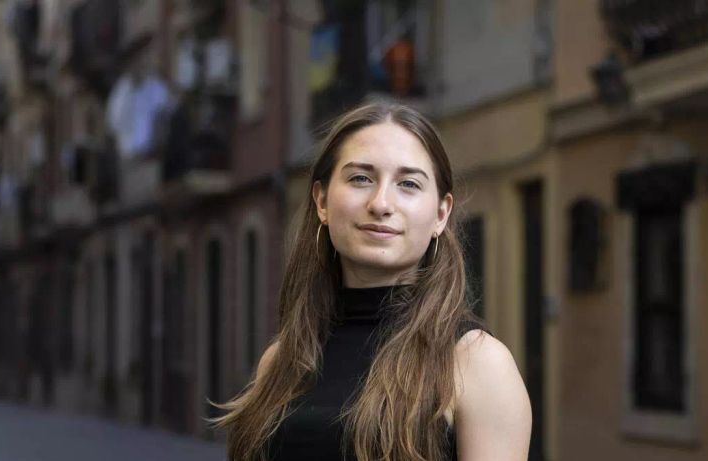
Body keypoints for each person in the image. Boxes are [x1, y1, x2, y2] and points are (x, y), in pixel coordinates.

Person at [212, 102, 531, 460]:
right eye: (360, 178)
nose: (381, 203)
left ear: (441, 214)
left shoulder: (477, 363)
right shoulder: (281, 360)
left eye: (408, 184)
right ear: (321, 201)